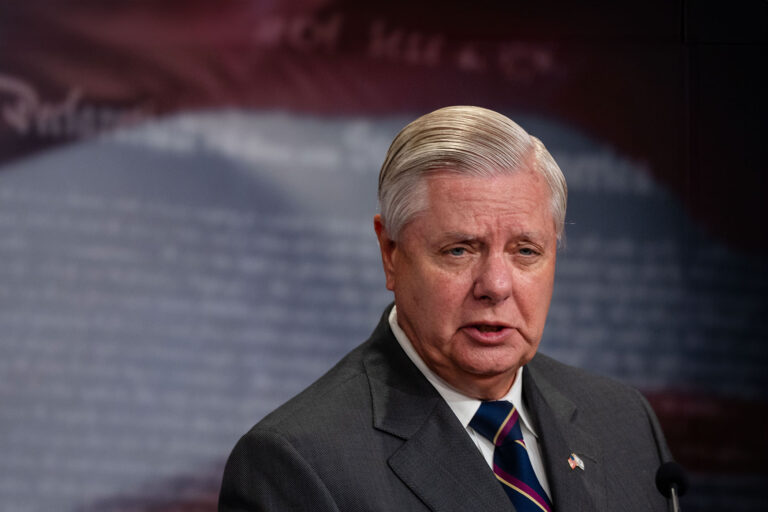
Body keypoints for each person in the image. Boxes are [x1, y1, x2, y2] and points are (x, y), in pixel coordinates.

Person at [219, 106, 673, 511]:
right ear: (391, 253)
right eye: (459, 250)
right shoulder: (297, 466)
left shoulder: (625, 422)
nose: (495, 286)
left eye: (526, 251)